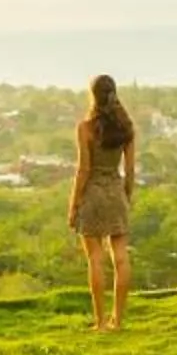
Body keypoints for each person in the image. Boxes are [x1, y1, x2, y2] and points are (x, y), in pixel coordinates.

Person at [68, 74, 137, 331]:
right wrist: (126, 196)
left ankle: (100, 323)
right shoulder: (126, 127)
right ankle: (117, 321)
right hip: (116, 192)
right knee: (121, 257)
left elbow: (83, 170)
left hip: (93, 195)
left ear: (93, 95)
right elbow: (130, 170)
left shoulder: (85, 128)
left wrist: (74, 204)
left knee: (95, 259)